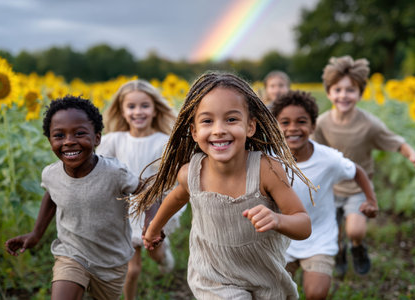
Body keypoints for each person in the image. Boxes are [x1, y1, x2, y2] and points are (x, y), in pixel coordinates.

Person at [132, 72, 316, 299]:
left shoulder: (266, 170)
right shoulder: (192, 173)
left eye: (231, 119)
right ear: (194, 131)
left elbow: (303, 224)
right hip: (213, 275)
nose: (219, 129)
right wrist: (153, 229)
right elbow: (177, 198)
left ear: (250, 127)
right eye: (207, 121)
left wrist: (277, 220)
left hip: (265, 273)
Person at [5, 95, 139, 300]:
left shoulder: (115, 173)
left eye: (79, 133)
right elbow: (52, 196)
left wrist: (152, 222)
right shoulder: (51, 174)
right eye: (59, 135)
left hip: (111, 260)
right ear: (49, 140)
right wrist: (35, 234)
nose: (69, 141)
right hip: (71, 253)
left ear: (97, 138)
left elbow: (145, 192)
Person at [313, 56, 415, 276]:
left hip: (358, 188)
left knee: (355, 230)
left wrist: (413, 155)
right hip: (329, 189)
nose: (343, 95)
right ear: (329, 93)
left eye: (350, 90)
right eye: (338, 90)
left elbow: (396, 141)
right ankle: (339, 252)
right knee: (333, 235)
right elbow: (310, 149)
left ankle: (357, 247)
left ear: (360, 93)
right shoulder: (322, 122)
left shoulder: (369, 124)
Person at [271, 90, 377, 299]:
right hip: (281, 240)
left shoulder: (328, 159)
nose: (293, 128)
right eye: (284, 122)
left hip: (319, 237)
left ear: (312, 126)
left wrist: (371, 200)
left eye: (301, 121)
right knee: (274, 294)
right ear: (275, 126)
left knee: (316, 293)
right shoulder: (269, 159)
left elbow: (357, 171)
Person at [96, 79, 179, 300]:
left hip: (154, 211)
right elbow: (99, 169)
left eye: (144, 106)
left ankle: (165, 257)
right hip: (123, 212)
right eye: (131, 106)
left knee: (156, 254)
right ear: (122, 111)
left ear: (154, 109)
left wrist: (163, 214)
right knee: (131, 270)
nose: (138, 112)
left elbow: (173, 182)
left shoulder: (165, 143)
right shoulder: (113, 140)